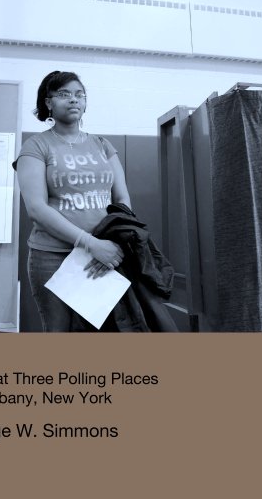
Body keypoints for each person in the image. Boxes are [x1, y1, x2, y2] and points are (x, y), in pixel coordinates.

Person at [14, 71, 171, 332]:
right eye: (64, 94)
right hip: (54, 257)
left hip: (105, 253)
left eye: (79, 95)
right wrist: (89, 243)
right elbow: (36, 208)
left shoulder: (102, 145)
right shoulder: (36, 146)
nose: (73, 100)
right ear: (48, 102)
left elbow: (121, 199)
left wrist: (110, 244)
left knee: (107, 332)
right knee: (61, 335)